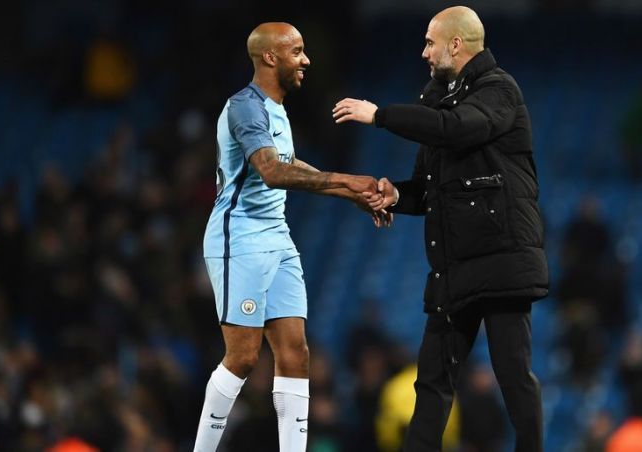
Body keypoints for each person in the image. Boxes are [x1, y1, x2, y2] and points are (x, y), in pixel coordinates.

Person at [332, 6, 548, 452]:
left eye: (431, 42)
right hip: (454, 268)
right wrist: (396, 197)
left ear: (456, 45)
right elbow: (428, 187)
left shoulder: (499, 90)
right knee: (430, 383)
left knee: (513, 376)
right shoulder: (435, 99)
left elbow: (458, 129)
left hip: (503, 260)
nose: (424, 52)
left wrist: (381, 116)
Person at [195, 22, 388, 452]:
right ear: (270, 57)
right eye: (297, 51)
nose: (306, 60)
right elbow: (271, 170)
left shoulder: (277, 109)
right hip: (239, 238)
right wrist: (345, 179)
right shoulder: (246, 107)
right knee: (243, 356)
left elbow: (293, 164)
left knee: (296, 352)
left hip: (276, 237)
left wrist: (348, 194)